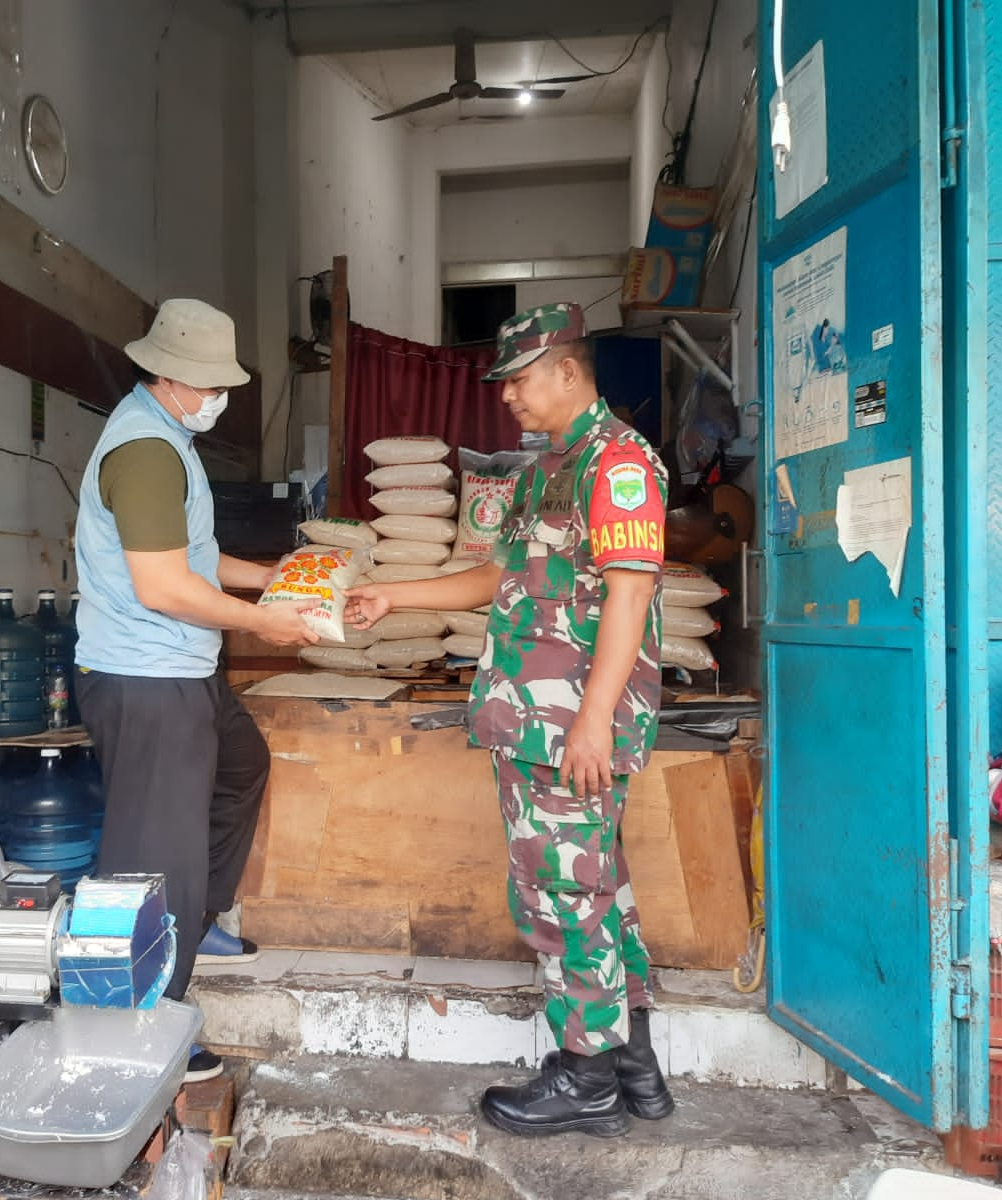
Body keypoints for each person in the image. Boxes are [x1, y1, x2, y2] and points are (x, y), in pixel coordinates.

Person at [344, 302, 672, 1137]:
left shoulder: (619, 463)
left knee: (567, 898)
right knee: (598, 887)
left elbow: (631, 594)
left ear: (569, 369)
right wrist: (395, 595)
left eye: (520, 381)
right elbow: (496, 579)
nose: (508, 399)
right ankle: (633, 1064)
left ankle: (586, 1078)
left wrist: (594, 721)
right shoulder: (540, 473)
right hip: (532, 721)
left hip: (572, 728)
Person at [73, 298, 319, 1081]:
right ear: (173, 376)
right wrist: (266, 624)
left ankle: (194, 918)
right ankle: (139, 1028)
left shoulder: (168, 436)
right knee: (150, 859)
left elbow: (193, 559)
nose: (221, 399)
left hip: (179, 671)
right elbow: (164, 586)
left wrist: (271, 577)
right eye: (212, 385)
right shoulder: (145, 451)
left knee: (241, 768)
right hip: (147, 678)